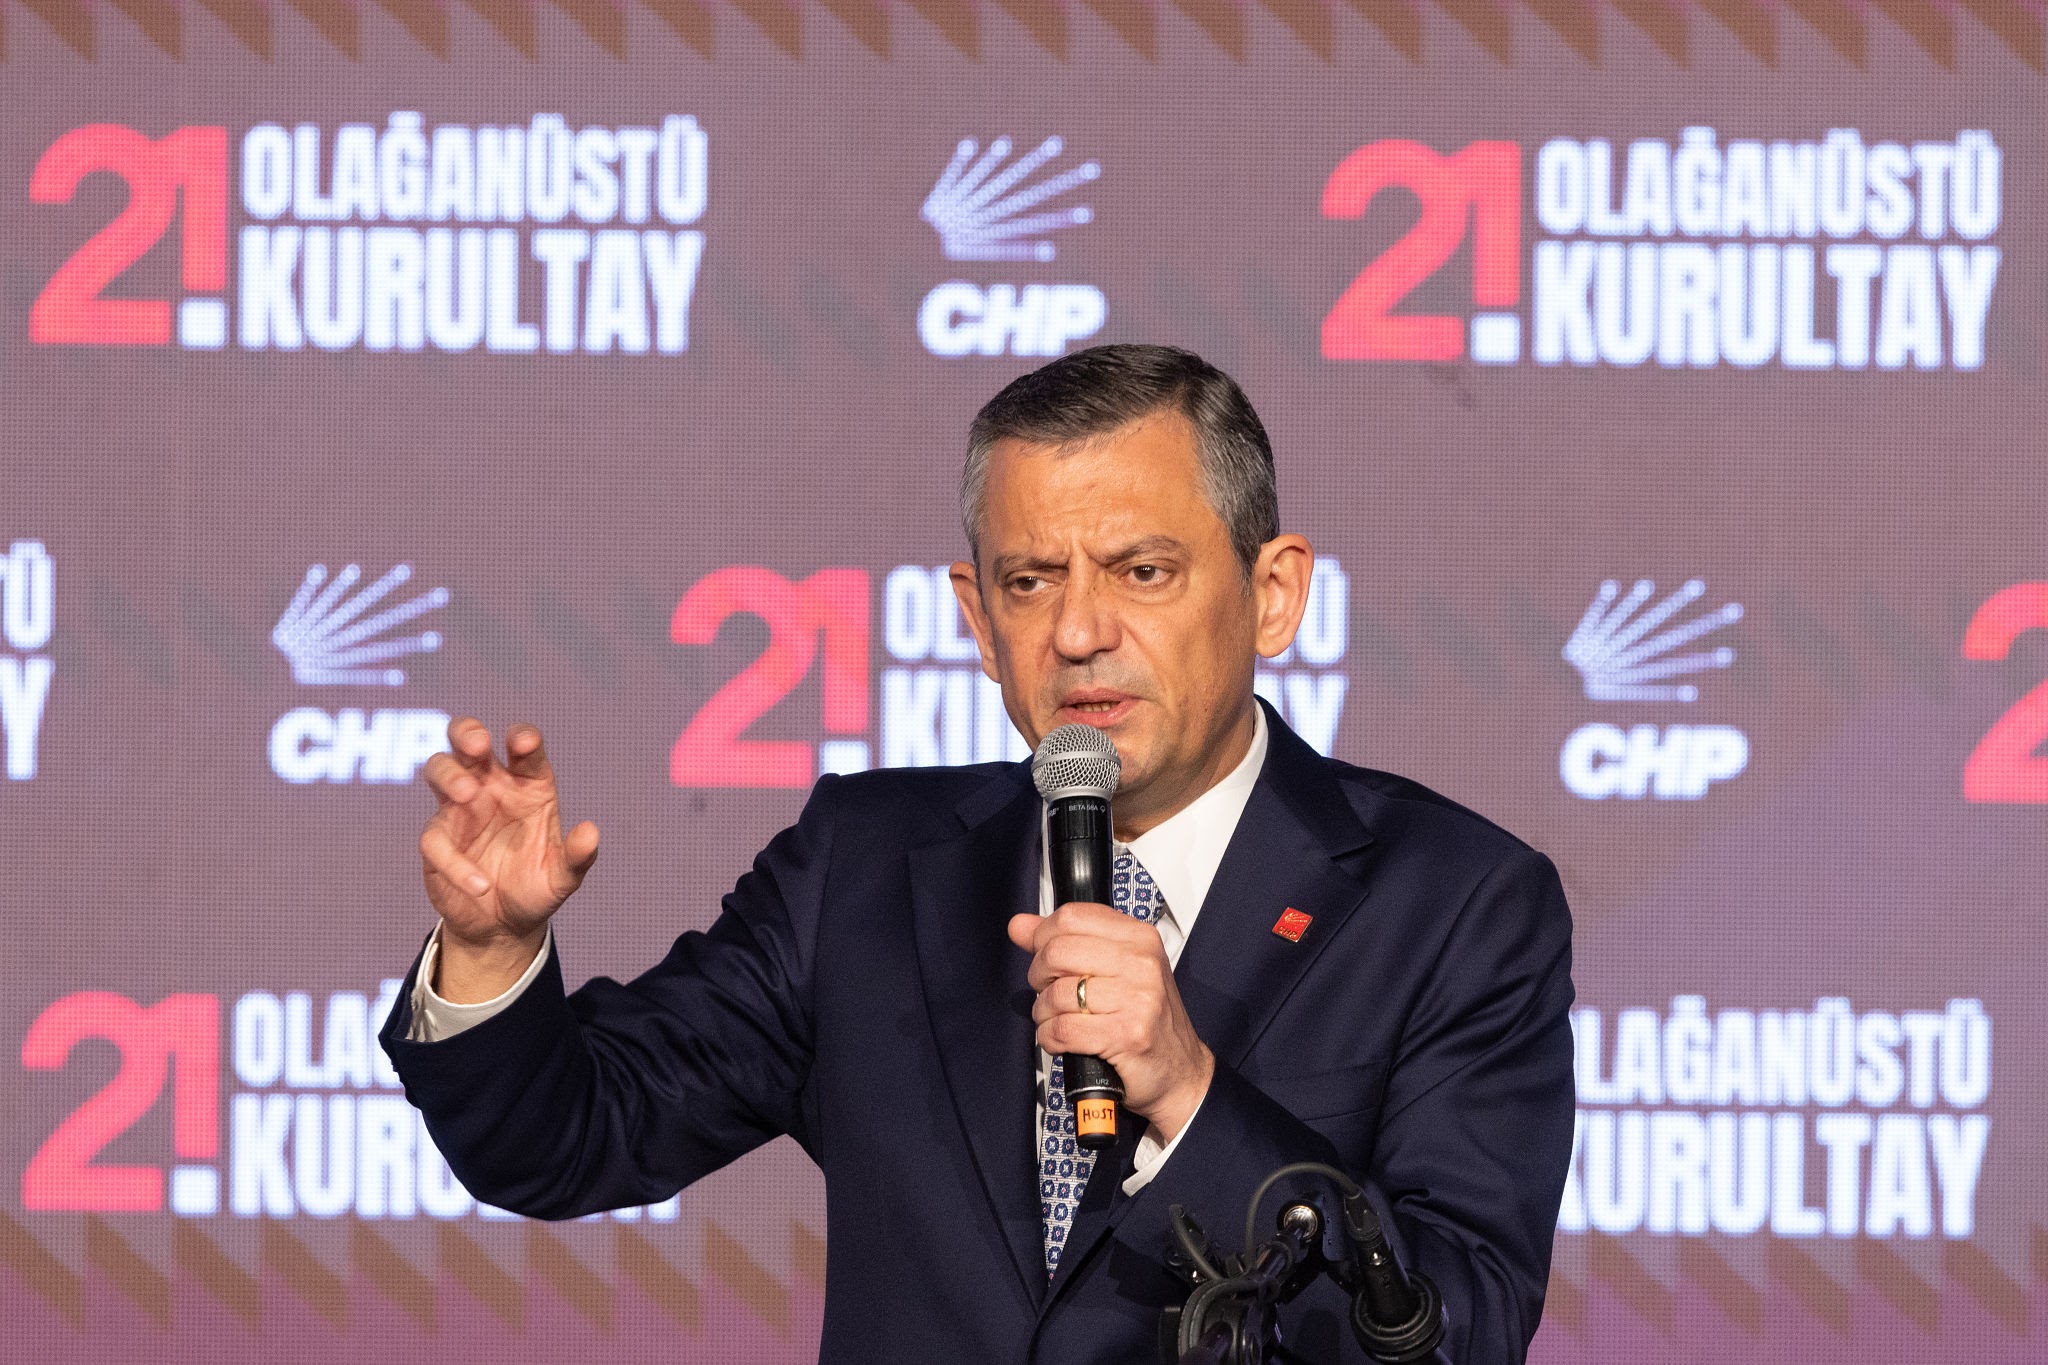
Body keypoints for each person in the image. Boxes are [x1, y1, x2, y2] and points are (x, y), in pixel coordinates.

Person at [380, 344, 1575, 1362]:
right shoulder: (864, 867)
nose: (1080, 631)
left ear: (1272, 594)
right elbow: (560, 1142)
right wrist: (490, 955)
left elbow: (1456, 1331)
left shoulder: (1452, 903)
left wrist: (1188, 1094)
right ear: (977, 620)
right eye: (1030, 581)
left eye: (1142, 572)